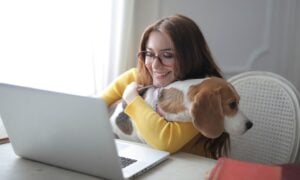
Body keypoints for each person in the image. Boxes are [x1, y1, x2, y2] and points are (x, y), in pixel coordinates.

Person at [100, 14, 229, 159]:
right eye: (149, 54)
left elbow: (165, 142)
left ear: (191, 57)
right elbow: (92, 109)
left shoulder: (201, 95)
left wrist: (132, 99)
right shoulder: (135, 77)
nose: (155, 65)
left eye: (167, 55)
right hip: (144, 161)